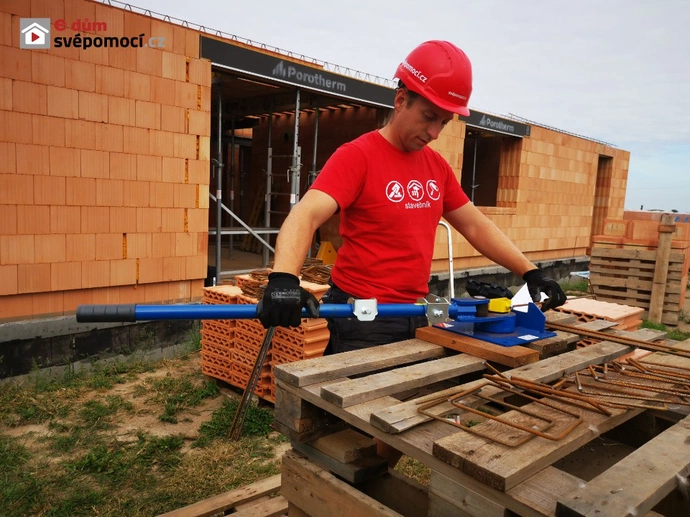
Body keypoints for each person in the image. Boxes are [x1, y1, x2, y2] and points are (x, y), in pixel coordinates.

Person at [257, 40, 567, 465]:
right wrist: (284, 279)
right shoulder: (358, 156)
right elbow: (306, 213)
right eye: (429, 117)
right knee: (355, 434)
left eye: (445, 122)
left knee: (404, 426)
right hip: (363, 317)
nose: (435, 132)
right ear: (400, 99)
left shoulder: (435, 167)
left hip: (422, 313)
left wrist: (531, 272)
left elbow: (474, 224)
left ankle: (378, 481)